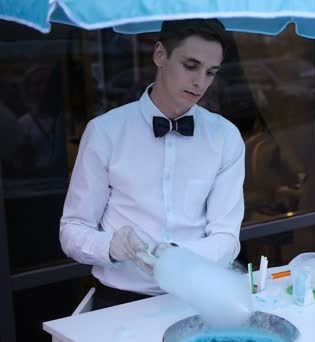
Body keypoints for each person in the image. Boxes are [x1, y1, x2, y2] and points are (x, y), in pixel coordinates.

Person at [59, 19, 245, 310]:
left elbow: (227, 238)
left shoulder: (226, 138)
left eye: (211, 72)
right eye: (191, 66)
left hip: (198, 299)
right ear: (160, 54)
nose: (201, 82)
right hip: (118, 302)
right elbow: (72, 229)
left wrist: (176, 256)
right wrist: (110, 246)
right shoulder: (105, 132)